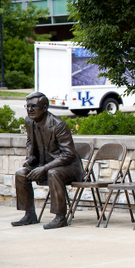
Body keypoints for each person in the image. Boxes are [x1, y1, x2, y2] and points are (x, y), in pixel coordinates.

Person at [12, 92, 84, 229]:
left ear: (45, 107)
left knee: (53, 173)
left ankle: (60, 217)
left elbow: (68, 154)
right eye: (28, 106)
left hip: (68, 167)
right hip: (43, 165)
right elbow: (29, 142)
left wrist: (44, 168)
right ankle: (30, 215)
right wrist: (30, 157)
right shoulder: (29, 121)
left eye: (34, 106)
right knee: (21, 173)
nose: (30, 110)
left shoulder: (58, 125)